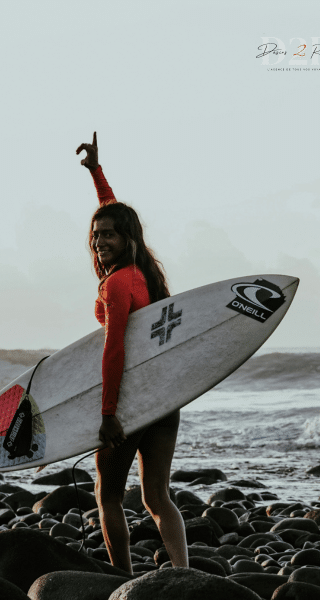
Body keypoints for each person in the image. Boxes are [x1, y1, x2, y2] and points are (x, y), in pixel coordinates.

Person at [76, 133, 188, 574]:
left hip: (131, 402)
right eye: (95, 234)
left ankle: (122, 578)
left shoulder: (116, 283)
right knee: (157, 495)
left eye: (108, 235)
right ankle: (182, 573)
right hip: (165, 399)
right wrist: (96, 173)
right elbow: (116, 214)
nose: (100, 240)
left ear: (126, 239)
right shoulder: (143, 273)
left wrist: (108, 414)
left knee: (108, 495)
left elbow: (115, 346)